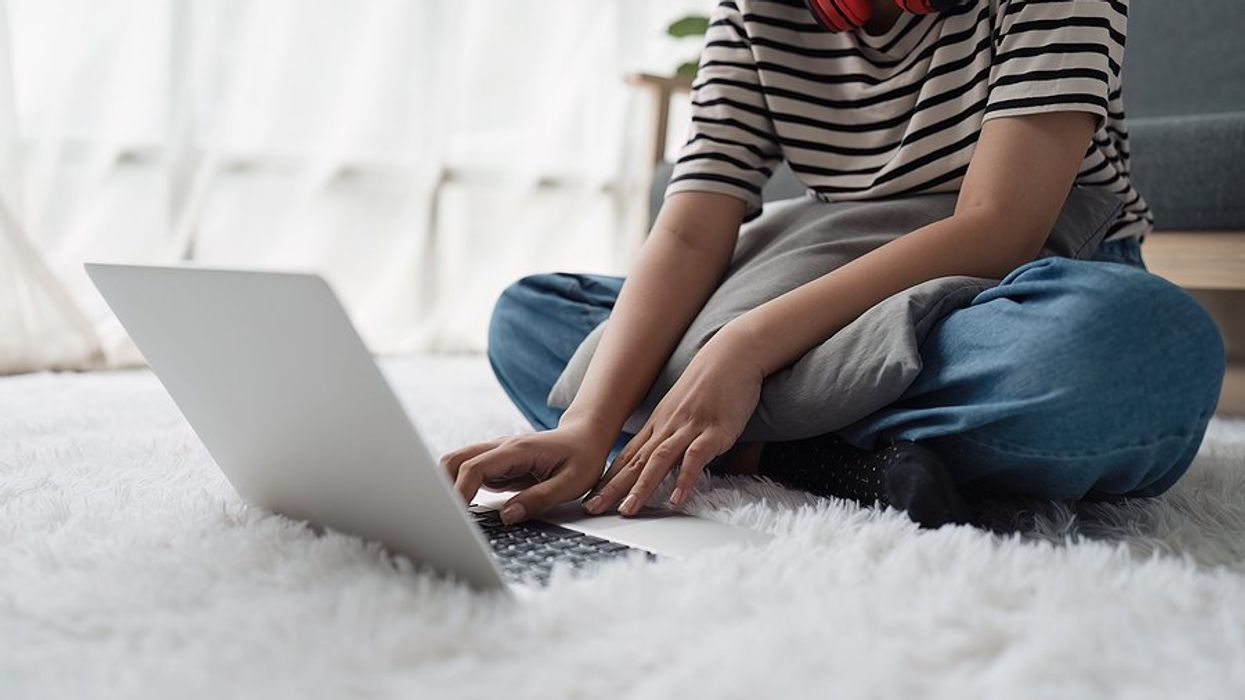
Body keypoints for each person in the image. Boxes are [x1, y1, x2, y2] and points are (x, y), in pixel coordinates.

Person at [441, 0, 1226, 528]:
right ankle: (833, 456)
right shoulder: (754, 13)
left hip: (1008, 283)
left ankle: (750, 438)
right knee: (532, 314)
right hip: (827, 285)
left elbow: (997, 227)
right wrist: (586, 424)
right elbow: (688, 233)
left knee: (1137, 353)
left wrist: (741, 347)